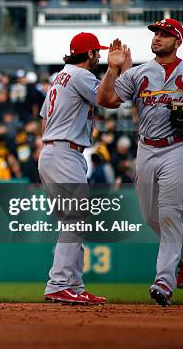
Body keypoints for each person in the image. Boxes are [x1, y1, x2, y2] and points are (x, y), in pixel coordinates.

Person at [97, 19, 183, 306]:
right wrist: (113, 68)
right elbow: (105, 100)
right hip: (146, 149)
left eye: (165, 34)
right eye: (156, 33)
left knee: (169, 214)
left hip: (178, 148)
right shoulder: (140, 73)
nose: (157, 38)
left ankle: (163, 283)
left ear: (177, 41)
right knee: (150, 216)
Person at [38, 32, 111, 305]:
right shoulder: (81, 76)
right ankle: (58, 284)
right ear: (89, 54)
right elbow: (108, 99)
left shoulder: (60, 76)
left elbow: (44, 119)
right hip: (65, 152)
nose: (100, 56)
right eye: (97, 52)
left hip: (55, 150)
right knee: (76, 219)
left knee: (72, 222)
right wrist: (116, 70)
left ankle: (75, 287)